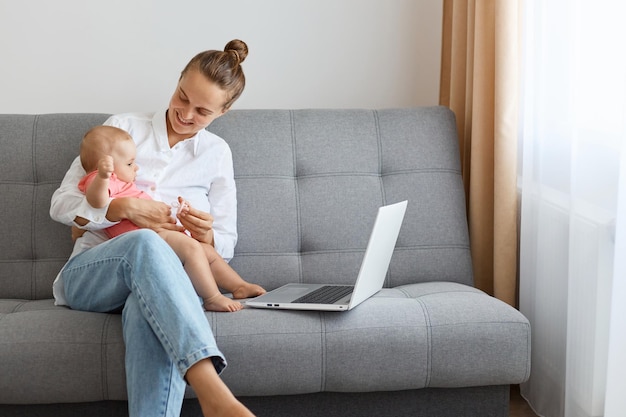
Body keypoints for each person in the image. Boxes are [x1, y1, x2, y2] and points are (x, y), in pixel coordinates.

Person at [50, 40, 257, 417]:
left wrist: (206, 234)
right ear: (177, 81)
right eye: (182, 97)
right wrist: (120, 207)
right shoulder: (121, 128)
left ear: (223, 112)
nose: (185, 113)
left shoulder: (217, 154)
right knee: (145, 241)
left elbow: (223, 244)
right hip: (93, 274)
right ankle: (212, 389)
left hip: (168, 286)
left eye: (202, 111)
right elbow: (62, 205)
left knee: (145, 308)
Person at [77, 125, 265, 312]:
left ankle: (238, 286)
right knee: (192, 248)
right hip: (146, 240)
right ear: (105, 165)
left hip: (158, 234)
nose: (136, 167)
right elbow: (97, 201)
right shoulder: (101, 179)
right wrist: (102, 176)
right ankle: (212, 297)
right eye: (129, 164)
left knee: (205, 249)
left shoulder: (123, 182)